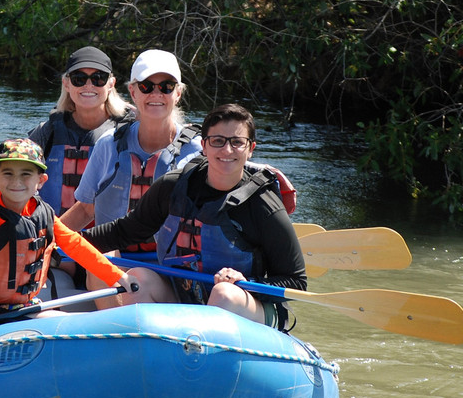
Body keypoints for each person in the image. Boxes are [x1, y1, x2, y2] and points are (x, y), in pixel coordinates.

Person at [84, 103, 304, 329]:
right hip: (186, 296)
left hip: (244, 306)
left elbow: (296, 282)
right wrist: (64, 240)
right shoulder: (173, 187)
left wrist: (248, 283)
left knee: (224, 294)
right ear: (204, 146)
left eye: (237, 142)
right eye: (218, 141)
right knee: (139, 279)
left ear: (250, 149)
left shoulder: (263, 206)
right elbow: (125, 231)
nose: (227, 150)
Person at [0, 138, 133, 328]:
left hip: (24, 306)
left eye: (26, 174)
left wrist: (117, 276)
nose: (16, 181)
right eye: (8, 173)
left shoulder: (42, 213)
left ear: (41, 180)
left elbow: (74, 245)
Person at [60, 49, 203, 251]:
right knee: (106, 256)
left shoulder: (199, 151)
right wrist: (46, 242)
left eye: (166, 87)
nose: (156, 94)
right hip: (110, 261)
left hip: (166, 268)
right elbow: (85, 209)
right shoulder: (108, 144)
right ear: (133, 92)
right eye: (146, 86)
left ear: (178, 93)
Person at [27, 46, 132, 219]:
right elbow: (13, 175)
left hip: (103, 240)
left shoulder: (128, 132)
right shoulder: (48, 132)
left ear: (111, 84)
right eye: (79, 78)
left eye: (99, 78)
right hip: (49, 235)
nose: (88, 85)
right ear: (66, 84)